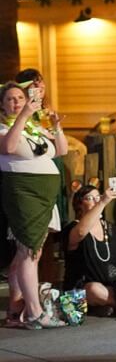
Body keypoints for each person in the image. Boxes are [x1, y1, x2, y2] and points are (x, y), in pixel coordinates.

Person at [0, 82, 68, 329]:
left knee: (28, 252)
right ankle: (35, 313)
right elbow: (8, 147)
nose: (16, 102)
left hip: (44, 197)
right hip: (24, 193)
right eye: (10, 99)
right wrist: (26, 113)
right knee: (29, 251)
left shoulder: (34, 128)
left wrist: (56, 126)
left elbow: (60, 150)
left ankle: (16, 308)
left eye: (20, 97)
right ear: (2, 104)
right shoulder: (5, 128)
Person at [63, 184, 116, 314]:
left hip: (113, 286)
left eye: (98, 197)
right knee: (94, 290)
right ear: (79, 204)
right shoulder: (73, 228)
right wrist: (102, 202)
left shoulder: (110, 228)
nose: (96, 200)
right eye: (90, 198)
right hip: (84, 289)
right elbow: (80, 233)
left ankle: (112, 304)